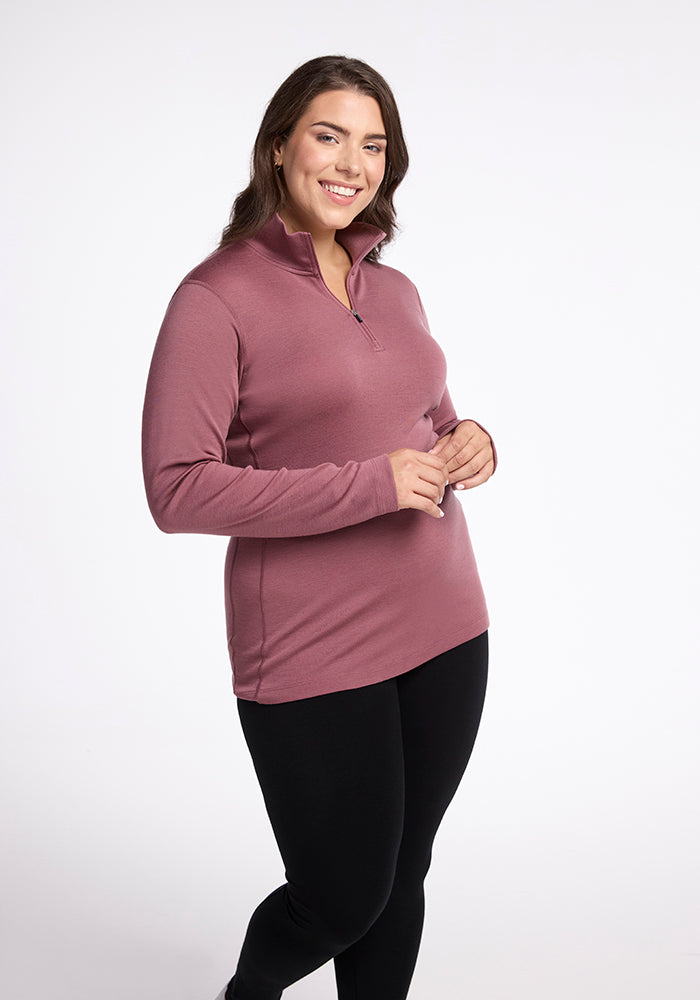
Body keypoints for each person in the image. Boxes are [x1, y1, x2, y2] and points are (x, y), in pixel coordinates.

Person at [142, 54, 495, 1000]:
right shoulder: (215, 298)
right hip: (309, 643)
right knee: (341, 896)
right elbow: (177, 490)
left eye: (373, 144)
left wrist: (471, 442)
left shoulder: (396, 287)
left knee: (402, 872)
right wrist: (369, 487)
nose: (353, 163)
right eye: (330, 135)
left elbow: (430, 417)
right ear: (278, 147)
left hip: (446, 622)